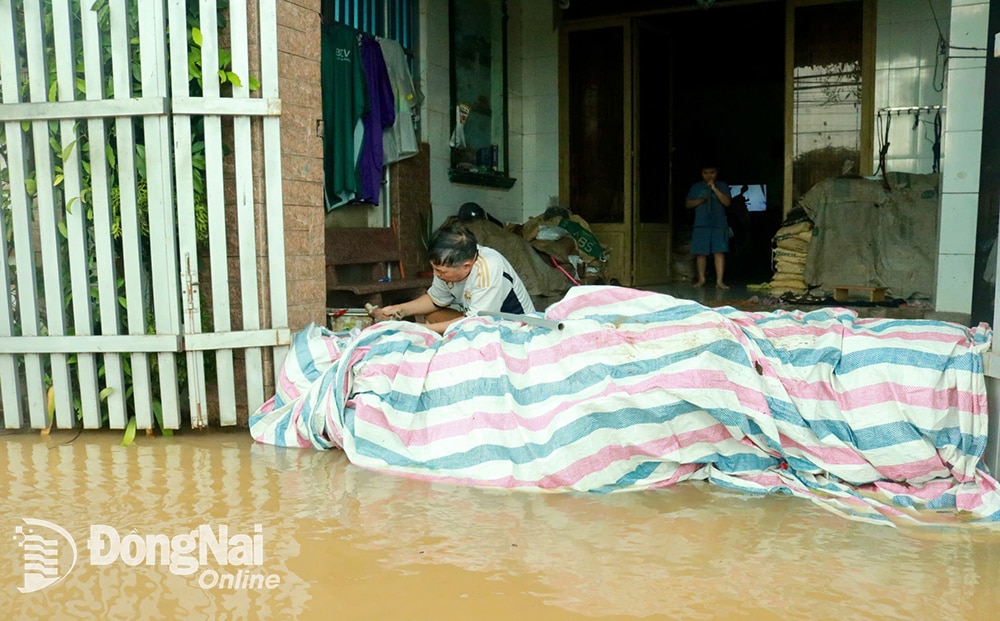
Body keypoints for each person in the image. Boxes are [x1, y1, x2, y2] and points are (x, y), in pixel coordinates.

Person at [374, 222, 535, 334]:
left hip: (514, 328)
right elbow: (434, 300)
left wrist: (417, 328)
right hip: (475, 321)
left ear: (466, 266)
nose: (436, 274)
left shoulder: (489, 268)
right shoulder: (448, 263)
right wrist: (398, 310)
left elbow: (474, 325)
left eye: (440, 271)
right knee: (433, 315)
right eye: (434, 269)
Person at [685, 164, 732, 289]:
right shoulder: (696, 187)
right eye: (706, 173)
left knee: (719, 252)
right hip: (701, 225)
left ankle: (719, 281)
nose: (709, 175)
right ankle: (701, 280)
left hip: (719, 224)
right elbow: (688, 204)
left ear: (717, 173)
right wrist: (701, 200)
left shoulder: (722, 185)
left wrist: (715, 189)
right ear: (701, 173)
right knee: (701, 253)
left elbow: (727, 203)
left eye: (712, 172)